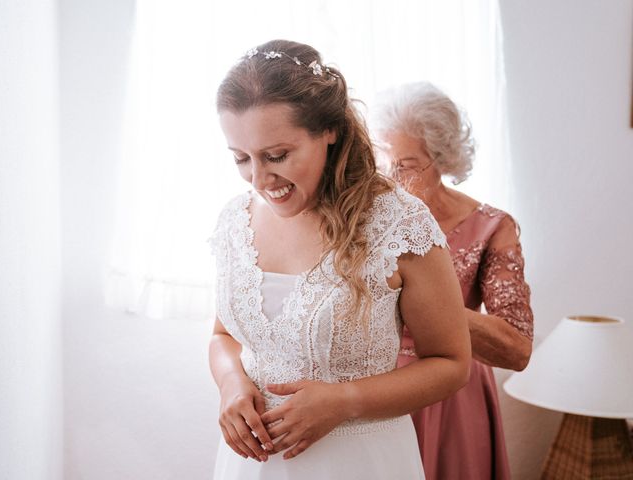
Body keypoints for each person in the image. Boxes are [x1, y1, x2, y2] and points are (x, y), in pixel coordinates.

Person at [208, 40, 471, 480]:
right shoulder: (236, 219)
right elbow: (223, 335)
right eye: (241, 158)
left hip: (360, 462)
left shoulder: (398, 224)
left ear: (328, 131)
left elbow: (451, 363)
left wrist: (344, 400)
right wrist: (231, 384)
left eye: (277, 156)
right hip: (249, 467)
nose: (259, 179)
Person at [372, 81, 534, 480]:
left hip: (451, 393)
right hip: (377, 387)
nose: (391, 180)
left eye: (406, 166)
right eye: (383, 164)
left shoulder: (491, 226)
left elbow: (516, 349)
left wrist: (431, 304)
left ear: (441, 159)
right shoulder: (367, 220)